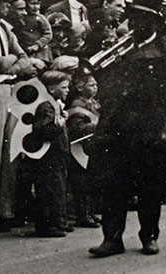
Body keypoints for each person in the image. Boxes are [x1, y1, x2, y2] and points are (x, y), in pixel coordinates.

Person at [88, 0, 166, 258]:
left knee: (150, 186)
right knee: (113, 185)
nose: (134, 25)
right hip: (119, 125)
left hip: (150, 128)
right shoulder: (121, 50)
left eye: (141, 19)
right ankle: (112, 238)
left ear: (154, 22)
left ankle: (149, 236)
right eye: (132, 18)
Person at [19, 69, 71, 238]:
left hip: (56, 155)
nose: (67, 90)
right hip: (49, 157)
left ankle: (58, 222)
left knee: (57, 189)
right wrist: (60, 124)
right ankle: (49, 225)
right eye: (63, 87)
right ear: (51, 88)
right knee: (50, 191)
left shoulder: (53, 104)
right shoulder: (46, 107)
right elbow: (44, 132)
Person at [66, 73, 100, 229]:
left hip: (89, 149)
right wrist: (95, 127)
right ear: (80, 87)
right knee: (81, 185)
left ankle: (90, 212)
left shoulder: (93, 103)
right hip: (78, 150)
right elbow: (77, 128)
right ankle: (82, 214)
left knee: (91, 183)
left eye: (95, 85)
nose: (95, 87)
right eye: (91, 85)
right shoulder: (77, 105)